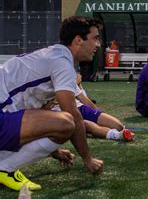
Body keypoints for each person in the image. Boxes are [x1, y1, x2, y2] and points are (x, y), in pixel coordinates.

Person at [0, 16, 104, 191]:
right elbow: (73, 116)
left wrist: (53, 151)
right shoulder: (62, 63)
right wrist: (88, 159)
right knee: (66, 122)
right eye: (95, 38)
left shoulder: (54, 55)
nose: (98, 45)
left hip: (4, 116)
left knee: (57, 119)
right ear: (78, 40)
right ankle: (5, 169)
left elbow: (37, 116)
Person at [49, 73, 134, 142]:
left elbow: (83, 99)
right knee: (86, 125)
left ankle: (122, 131)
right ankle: (116, 135)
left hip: (79, 107)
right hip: (61, 114)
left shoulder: (64, 77)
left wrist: (98, 113)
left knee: (118, 125)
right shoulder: (42, 84)